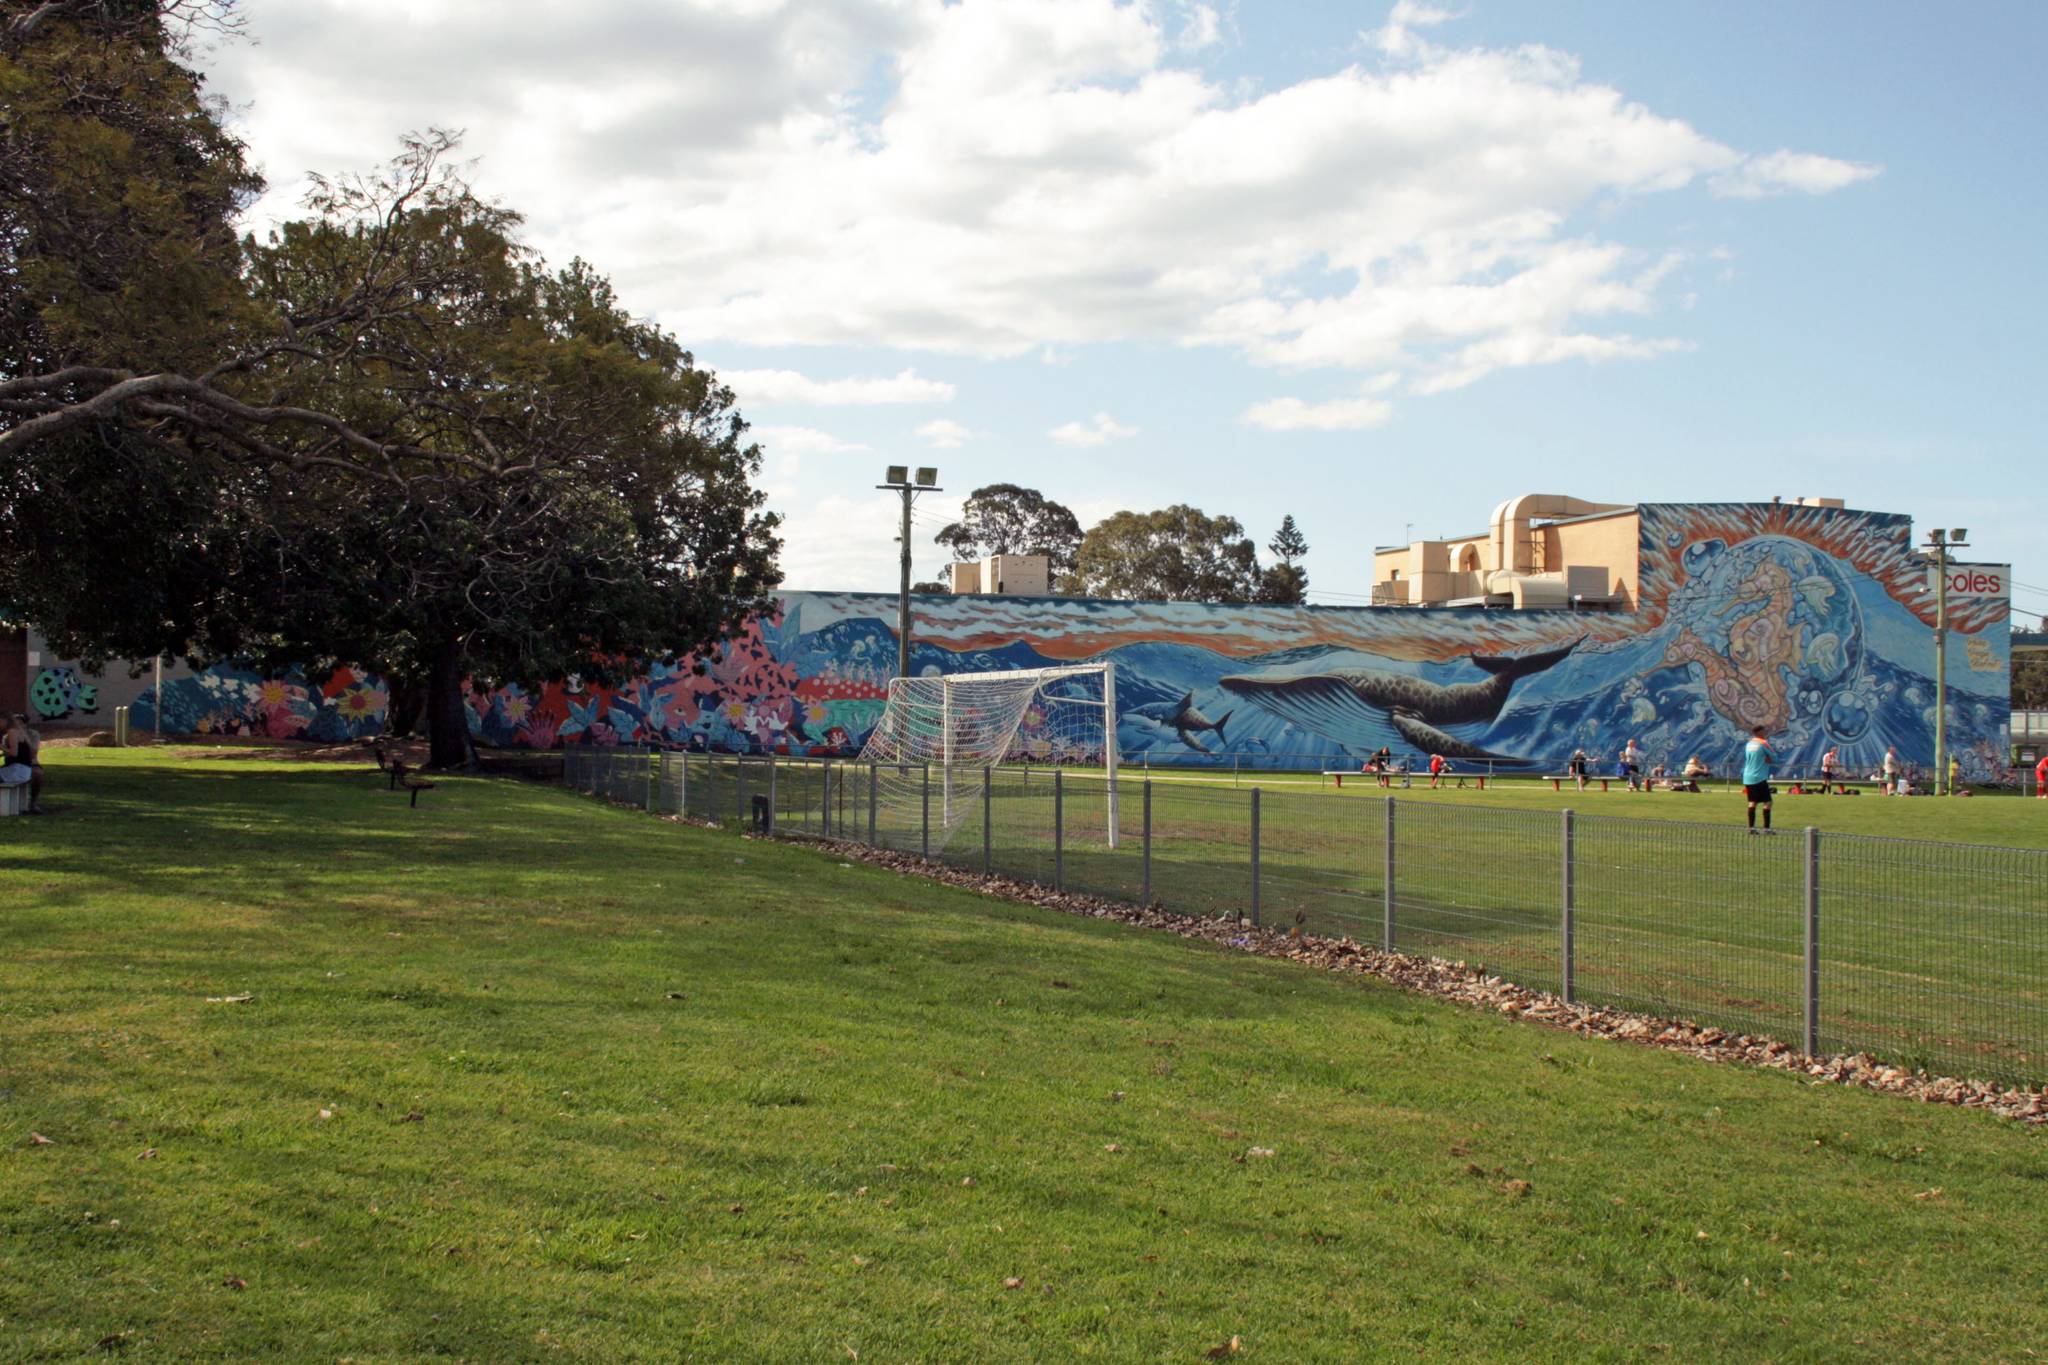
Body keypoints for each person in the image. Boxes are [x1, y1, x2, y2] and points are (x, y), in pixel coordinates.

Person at [1, 713, 45, 815]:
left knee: (37, 773)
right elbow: (8, 754)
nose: (18, 724)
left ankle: (33, 803)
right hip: (15, 764)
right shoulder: (7, 735)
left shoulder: (31, 734)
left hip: (26, 764)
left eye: (21, 722)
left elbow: (32, 753)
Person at [1741, 725, 1774, 833]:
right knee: (1768, 802)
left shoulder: (1749, 744)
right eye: (1764, 730)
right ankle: (1766, 829)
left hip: (1748, 776)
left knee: (1752, 802)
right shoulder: (1763, 743)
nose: (1765, 732)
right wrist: (1768, 758)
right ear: (1760, 732)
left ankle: (1751, 828)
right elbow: (1774, 757)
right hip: (1759, 776)